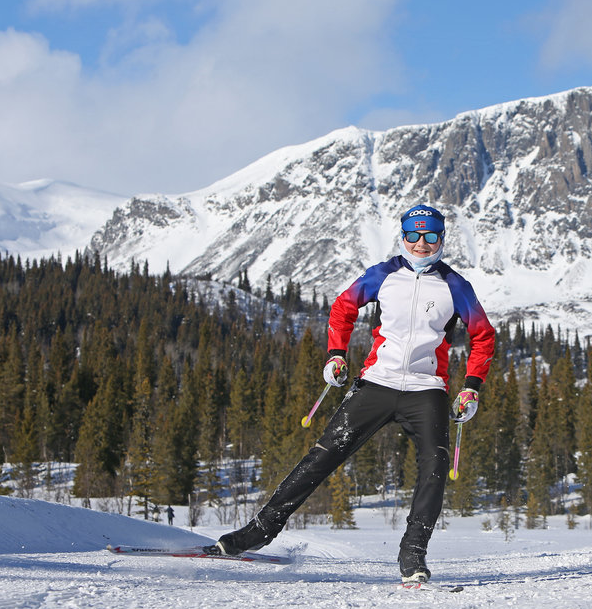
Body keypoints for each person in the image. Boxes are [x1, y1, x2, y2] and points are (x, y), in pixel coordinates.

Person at [212, 204, 496, 584]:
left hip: (426, 389)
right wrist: (335, 354)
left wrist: (471, 388)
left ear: (442, 239)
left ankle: (413, 554)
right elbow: (343, 308)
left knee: (434, 466)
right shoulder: (384, 274)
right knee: (322, 456)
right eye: (414, 235)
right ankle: (258, 532)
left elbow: (483, 335)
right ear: (403, 237)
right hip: (377, 382)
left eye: (431, 236)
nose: (422, 244)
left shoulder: (455, 286)